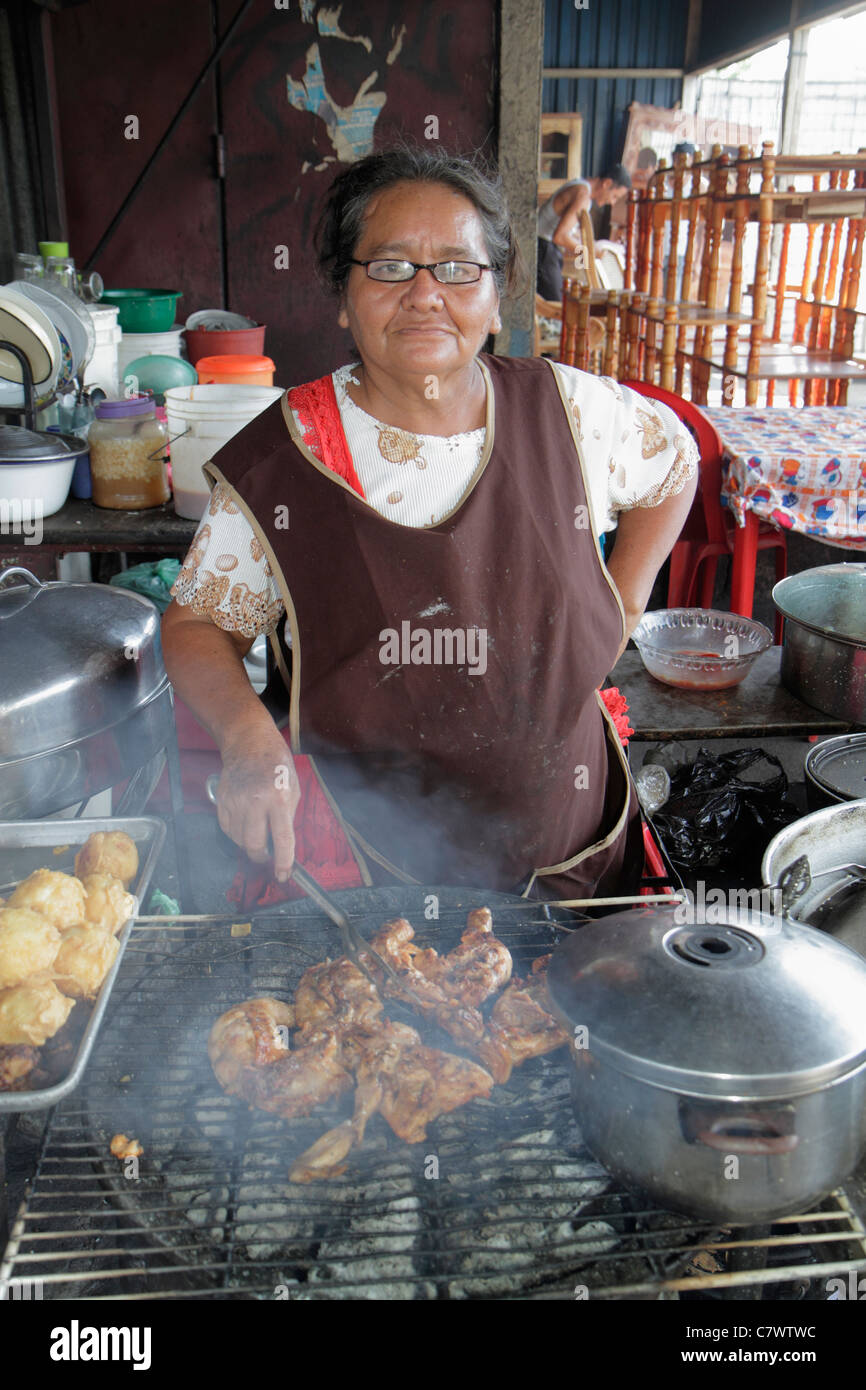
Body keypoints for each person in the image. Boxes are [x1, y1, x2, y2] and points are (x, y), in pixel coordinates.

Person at [162, 146, 697, 903]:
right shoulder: (287, 459)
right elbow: (196, 627)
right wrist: (249, 741)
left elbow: (674, 460)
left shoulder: (573, 413)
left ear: (499, 291)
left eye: (456, 266)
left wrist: (626, 599)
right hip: (377, 863)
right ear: (343, 296)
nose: (423, 295)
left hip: (570, 836)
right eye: (388, 266)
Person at [537, 163, 631, 302]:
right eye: (615, 196)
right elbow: (560, 236)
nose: (612, 202)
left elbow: (570, 233)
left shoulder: (582, 189)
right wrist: (589, 254)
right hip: (541, 248)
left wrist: (592, 245)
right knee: (558, 308)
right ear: (607, 183)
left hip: (545, 247)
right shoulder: (583, 195)